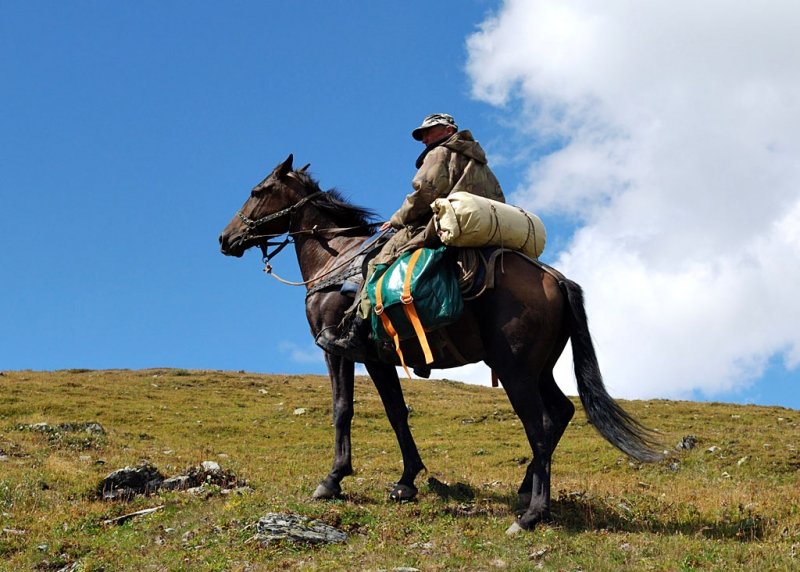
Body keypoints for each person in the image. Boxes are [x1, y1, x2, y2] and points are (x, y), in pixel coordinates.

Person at [318, 113, 505, 361]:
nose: (424, 139)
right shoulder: (478, 160)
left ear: (448, 130)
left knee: (376, 261)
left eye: (429, 131)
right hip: (478, 227)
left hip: (438, 224)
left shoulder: (440, 153)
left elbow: (424, 192)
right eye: (422, 134)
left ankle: (357, 336)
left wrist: (397, 219)